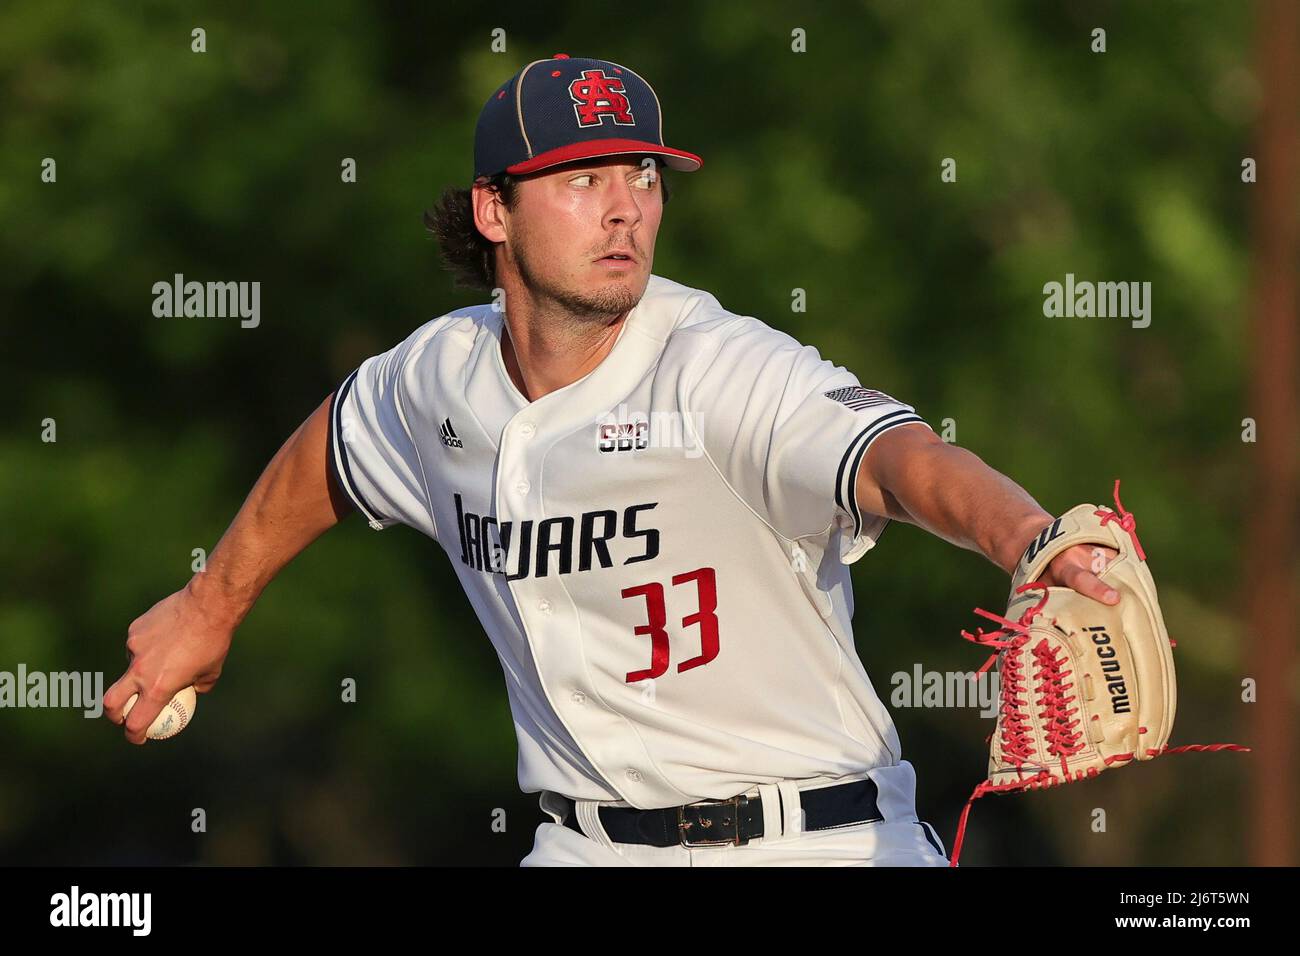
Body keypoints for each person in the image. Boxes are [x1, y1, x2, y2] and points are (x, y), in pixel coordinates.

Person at [106, 54, 1119, 866]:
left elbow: (899, 458)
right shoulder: (439, 376)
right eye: (583, 178)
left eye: (641, 174)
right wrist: (209, 605)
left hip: (816, 838)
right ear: (493, 210)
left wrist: (1028, 536)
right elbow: (331, 447)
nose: (625, 205)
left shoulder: (716, 367)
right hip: (581, 841)